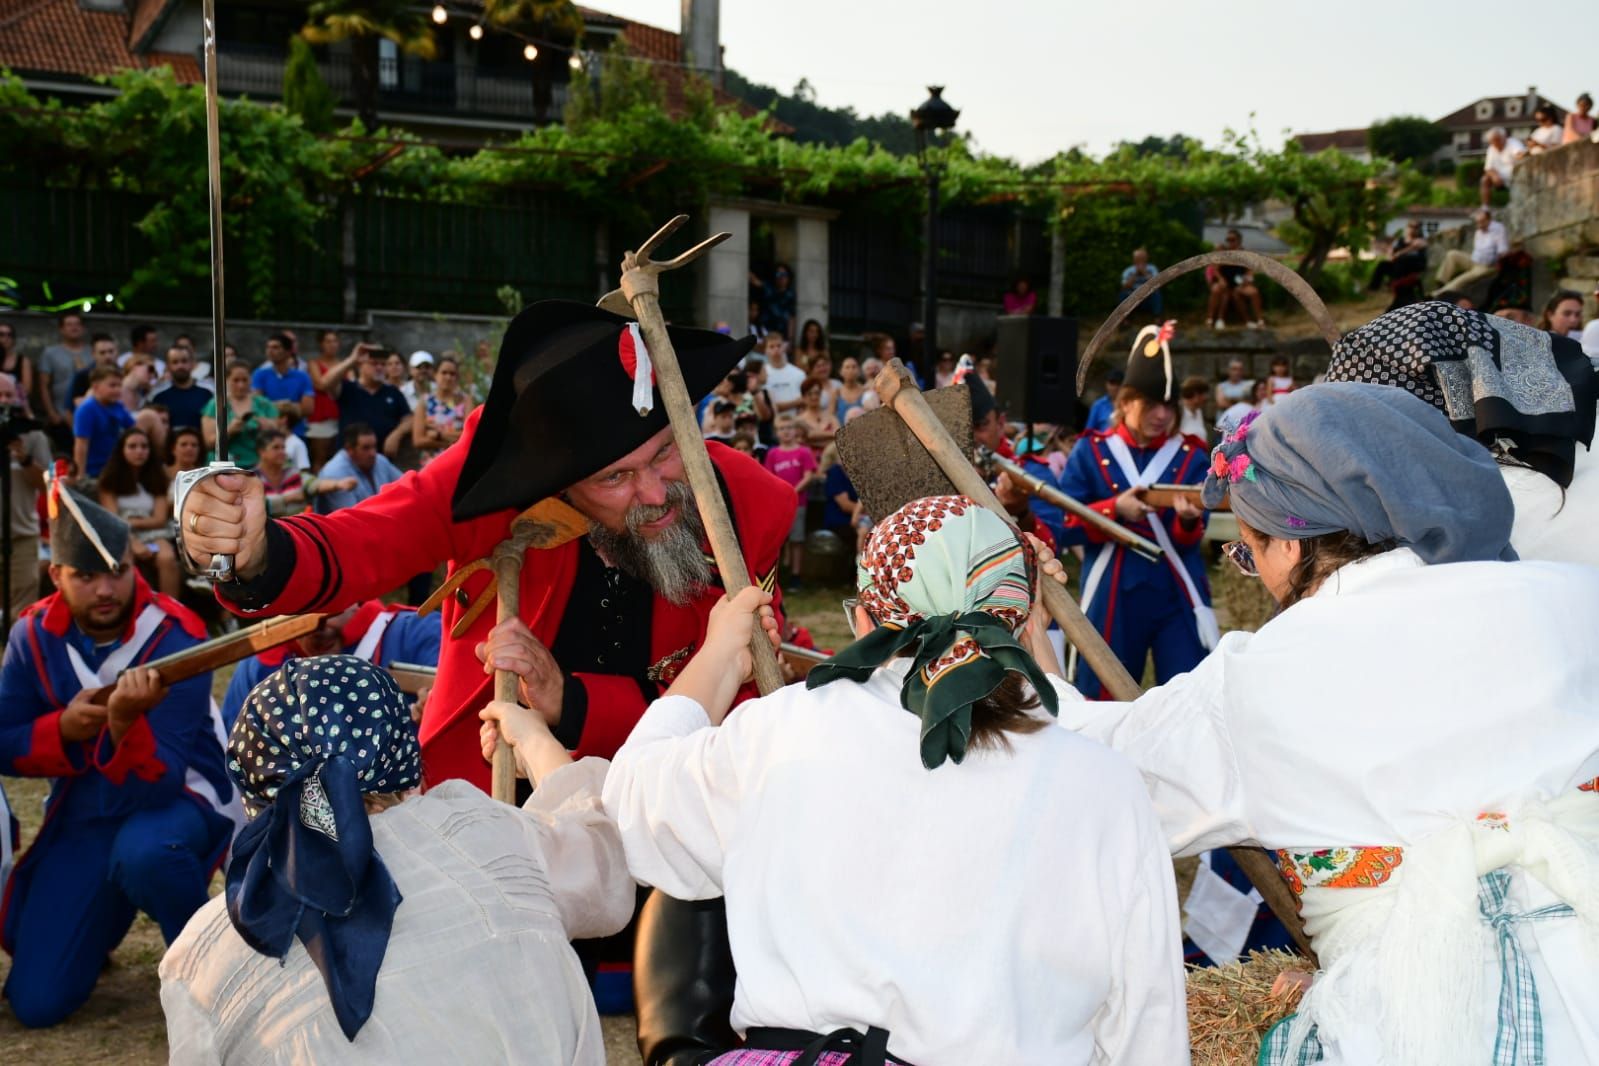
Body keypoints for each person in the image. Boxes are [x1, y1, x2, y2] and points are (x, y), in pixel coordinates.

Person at [176, 302, 795, 1066]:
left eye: (666, 452)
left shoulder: (747, 508)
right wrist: (257, 551)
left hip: (667, 795)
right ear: (558, 477)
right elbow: (362, 541)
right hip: (491, 796)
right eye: (616, 476)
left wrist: (571, 702)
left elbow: (740, 710)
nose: (655, 490)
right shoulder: (492, 480)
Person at [1058, 383, 1599, 1065]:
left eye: (1248, 550)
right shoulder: (1575, 598)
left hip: (1403, 1030)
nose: (1253, 572)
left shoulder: (1257, 681)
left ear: (1289, 542)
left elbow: (1084, 781)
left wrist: (1016, 655)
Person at [600, 501, 1187, 1064]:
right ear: (1027, 621)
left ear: (862, 619)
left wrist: (719, 658)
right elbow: (1146, 1022)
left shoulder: (782, 731)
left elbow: (636, 804)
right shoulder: (1106, 783)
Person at [162, 656, 633, 1062]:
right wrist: (535, 742)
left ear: (252, 783)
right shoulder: (483, 836)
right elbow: (602, 862)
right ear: (400, 748)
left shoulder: (202, 955)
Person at [0, 487, 237, 1027]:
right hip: (89, 813)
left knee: (147, 853)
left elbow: (162, 782)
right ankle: (99, 919)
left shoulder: (178, 635)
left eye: (119, 570)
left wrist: (123, 724)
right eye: (86, 576)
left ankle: (214, 975)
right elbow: (5, 740)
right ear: (56, 574)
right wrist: (59, 727)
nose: (106, 589)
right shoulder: (31, 636)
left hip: (178, 804)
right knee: (39, 1003)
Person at [1057, 322, 1214, 699]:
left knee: (1187, 699)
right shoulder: (1091, 451)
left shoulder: (1191, 455)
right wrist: (1114, 509)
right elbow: (1064, 523)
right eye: (1150, 404)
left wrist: (1188, 520)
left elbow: (1193, 534)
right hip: (1114, 588)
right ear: (1125, 402)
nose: (1161, 415)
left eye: (1168, 406)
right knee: (1102, 700)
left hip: (1174, 589)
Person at [220, 600, 441, 727]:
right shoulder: (260, 665)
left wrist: (434, 707)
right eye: (303, 612)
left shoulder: (415, 631)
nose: (320, 628)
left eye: (329, 606)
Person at [97, 428, 179, 597]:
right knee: (125, 558)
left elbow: (159, 519)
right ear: (122, 450)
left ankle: (172, 610)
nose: (139, 451)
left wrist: (131, 520)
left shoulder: (158, 477)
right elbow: (112, 520)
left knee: (167, 557)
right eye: (132, 446)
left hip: (154, 533)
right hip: (120, 534)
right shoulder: (109, 480)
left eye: (144, 446)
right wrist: (132, 539)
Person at [1, 372, 49, 620]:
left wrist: (25, 459)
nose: (4, 401)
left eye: (9, 395)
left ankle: (13, 657)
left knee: (21, 613)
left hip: (21, 537)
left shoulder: (33, 436)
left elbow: (47, 485)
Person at [251, 427, 356, 521]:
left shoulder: (292, 473)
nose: (282, 452)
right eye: (276, 448)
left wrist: (338, 484)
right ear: (261, 452)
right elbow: (255, 507)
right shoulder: (252, 479)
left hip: (299, 530)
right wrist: (288, 499)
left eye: (283, 447)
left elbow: (314, 484)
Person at [763, 415, 819, 586]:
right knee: (777, 541)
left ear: (795, 431)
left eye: (788, 428)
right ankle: (776, 578)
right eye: (781, 428)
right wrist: (781, 495)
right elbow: (768, 477)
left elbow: (809, 476)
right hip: (778, 505)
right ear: (776, 432)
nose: (785, 432)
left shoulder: (803, 452)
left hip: (798, 503)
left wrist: (792, 492)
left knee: (797, 540)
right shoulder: (773, 453)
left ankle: (796, 576)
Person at [202, 360, 279, 469]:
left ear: (251, 380)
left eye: (245, 380)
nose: (241, 385)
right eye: (236, 380)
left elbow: (278, 435)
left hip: (258, 465)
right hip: (225, 465)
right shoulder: (214, 405)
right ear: (227, 380)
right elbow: (208, 443)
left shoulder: (264, 404)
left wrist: (267, 428)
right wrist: (229, 431)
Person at [337, 347, 411, 458]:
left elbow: (409, 419)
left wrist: (397, 434)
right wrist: (352, 360)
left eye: (383, 364)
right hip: (351, 457)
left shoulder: (392, 391)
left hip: (382, 458)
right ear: (360, 366)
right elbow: (325, 383)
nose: (379, 367)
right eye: (374, 363)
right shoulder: (348, 388)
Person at [314, 423, 404, 514]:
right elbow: (352, 517)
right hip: (350, 525)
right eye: (366, 448)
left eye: (374, 446)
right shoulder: (334, 472)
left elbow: (405, 486)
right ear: (350, 450)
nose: (373, 453)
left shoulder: (379, 460)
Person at [35, 311, 92, 447]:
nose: (74, 328)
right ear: (61, 329)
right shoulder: (50, 353)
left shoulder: (93, 352)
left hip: (88, 413)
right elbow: (44, 385)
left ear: (83, 328)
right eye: (69, 325)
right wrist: (51, 413)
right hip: (61, 415)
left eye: (77, 324)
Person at [1432, 207, 1510, 304]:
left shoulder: (1498, 229)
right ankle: (1441, 282)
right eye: (1477, 222)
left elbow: (1503, 251)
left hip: (1487, 265)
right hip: (1474, 260)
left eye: (1481, 221)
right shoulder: (1478, 232)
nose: (1479, 224)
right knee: (1452, 254)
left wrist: (1497, 264)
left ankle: (1438, 295)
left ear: (1488, 220)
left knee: (1460, 280)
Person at [306, 331, 360, 468]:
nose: (332, 345)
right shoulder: (314, 363)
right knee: (320, 457)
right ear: (321, 344)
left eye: (335, 341)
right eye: (328, 341)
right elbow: (321, 384)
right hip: (321, 416)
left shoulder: (345, 365)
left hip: (342, 417)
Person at [72, 365, 134, 481]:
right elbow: (81, 444)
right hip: (95, 472)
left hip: (117, 467)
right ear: (96, 387)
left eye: (119, 385)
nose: (117, 390)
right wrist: (80, 475)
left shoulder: (117, 406)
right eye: (112, 386)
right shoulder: (86, 410)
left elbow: (134, 429)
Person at [250, 334, 315, 440]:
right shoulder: (259, 374)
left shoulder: (302, 377)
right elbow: (257, 405)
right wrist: (290, 406)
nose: (270, 350)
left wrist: (272, 406)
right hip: (267, 435)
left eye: (275, 347)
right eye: (268, 347)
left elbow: (308, 409)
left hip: (296, 433)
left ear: (288, 351)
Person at [413, 354, 468, 465]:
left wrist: (439, 435)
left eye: (452, 374)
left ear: (457, 377)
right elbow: (418, 440)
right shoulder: (424, 401)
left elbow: (469, 436)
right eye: (444, 372)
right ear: (435, 375)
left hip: (458, 462)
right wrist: (453, 438)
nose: (448, 377)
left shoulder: (465, 401)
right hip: (431, 464)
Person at [1207, 229, 1265, 329]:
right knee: (1216, 290)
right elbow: (1215, 269)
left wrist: (1245, 281)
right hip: (1225, 283)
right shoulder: (1224, 253)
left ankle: (1258, 320)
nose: (1230, 242)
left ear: (1239, 240)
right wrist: (1221, 279)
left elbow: (1250, 271)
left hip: (1239, 284)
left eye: (1232, 240)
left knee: (1253, 292)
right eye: (1228, 240)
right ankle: (1210, 319)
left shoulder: (1244, 254)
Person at [149, 345, 214, 432]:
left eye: (184, 361)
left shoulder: (209, 391)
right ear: (168, 366)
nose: (180, 366)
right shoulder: (157, 395)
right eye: (175, 362)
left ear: (192, 363)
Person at [1366, 220, 1428, 305]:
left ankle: (1393, 284)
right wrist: (1391, 255)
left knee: (1403, 260)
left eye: (1416, 227)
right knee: (1383, 264)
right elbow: (1391, 251)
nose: (1413, 229)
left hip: (1413, 265)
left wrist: (1399, 254)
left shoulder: (1421, 240)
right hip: (1399, 266)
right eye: (1411, 226)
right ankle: (1374, 287)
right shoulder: (1400, 240)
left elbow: (1415, 246)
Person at [755, 332, 806, 418]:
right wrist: (795, 403)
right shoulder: (761, 376)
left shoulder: (799, 374)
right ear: (765, 350)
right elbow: (766, 407)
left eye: (779, 346)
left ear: (784, 348)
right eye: (771, 346)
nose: (776, 349)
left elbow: (805, 402)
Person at [67, 332, 121, 409]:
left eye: (111, 351)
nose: (108, 356)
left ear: (117, 352)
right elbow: (73, 407)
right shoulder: (83, 376)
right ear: (93, 354)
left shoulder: (124, 372)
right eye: (102, 353)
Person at [1480, 126, 1527, 207]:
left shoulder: (1513, 142)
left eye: (1497, 140)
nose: (1495, 143)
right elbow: (1488, 168)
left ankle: (1515, 204)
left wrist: (1522, 154)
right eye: (1492, 141)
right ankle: (1485, 208)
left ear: (1504, 137)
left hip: (1515, 174)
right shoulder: (1491, 149)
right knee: (1484, 180)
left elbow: (1520, 154)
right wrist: (1494, 176)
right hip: (1500, 177)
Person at [750, 263, 796, 340]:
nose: (781, 277)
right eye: (778, 274)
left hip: (782, 334)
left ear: (788, 276)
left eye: (784, 274)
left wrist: (790, 338)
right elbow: (754, 281)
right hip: (766, 331)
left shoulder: (791, 294)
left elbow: (791, 317)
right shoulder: (768, 287)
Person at [795, 379, 839, 453]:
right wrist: (832, 435)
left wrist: (812, 440)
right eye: (809, 394)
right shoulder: (798, 420)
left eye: (817, 393)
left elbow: (839, 437)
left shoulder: (831, 417)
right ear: (803, 397)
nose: (814, 397)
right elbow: (799, 442)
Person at [0, 320, 34, 416]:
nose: (5, 338)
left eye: (9, 335)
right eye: (1, 334)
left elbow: (26, 390)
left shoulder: (23, 361)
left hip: (15, 409)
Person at [1119, 249, 1161, 315]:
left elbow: (1157, 283)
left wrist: (1144, 273)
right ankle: (1125, 321)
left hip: (1148, 295)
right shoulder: (1128, 270)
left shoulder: (1152, 268)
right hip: (1132, 294)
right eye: (1138, 258)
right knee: (1123, 294)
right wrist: (1135, 274)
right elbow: (1124, 286)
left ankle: (1157, 318)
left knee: (1156, 293)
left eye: (1142, 258)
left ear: (1146, 258)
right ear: (1134, 259)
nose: (1140, 260)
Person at [1084, 368, 1124, 432]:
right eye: (1112, 383)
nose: (1114, 387)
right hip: (1103, 440)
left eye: (1118, 384)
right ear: (1106, 384)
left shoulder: (1128, 405)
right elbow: (1088, 431)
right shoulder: (1098, 405)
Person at [835, 354, 871, 420]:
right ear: (841, 372)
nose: (851, 370)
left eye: (854, 367)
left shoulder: (866, 391)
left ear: (859, 371)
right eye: (847, 367)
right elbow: (830, 415)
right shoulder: (837, 392)